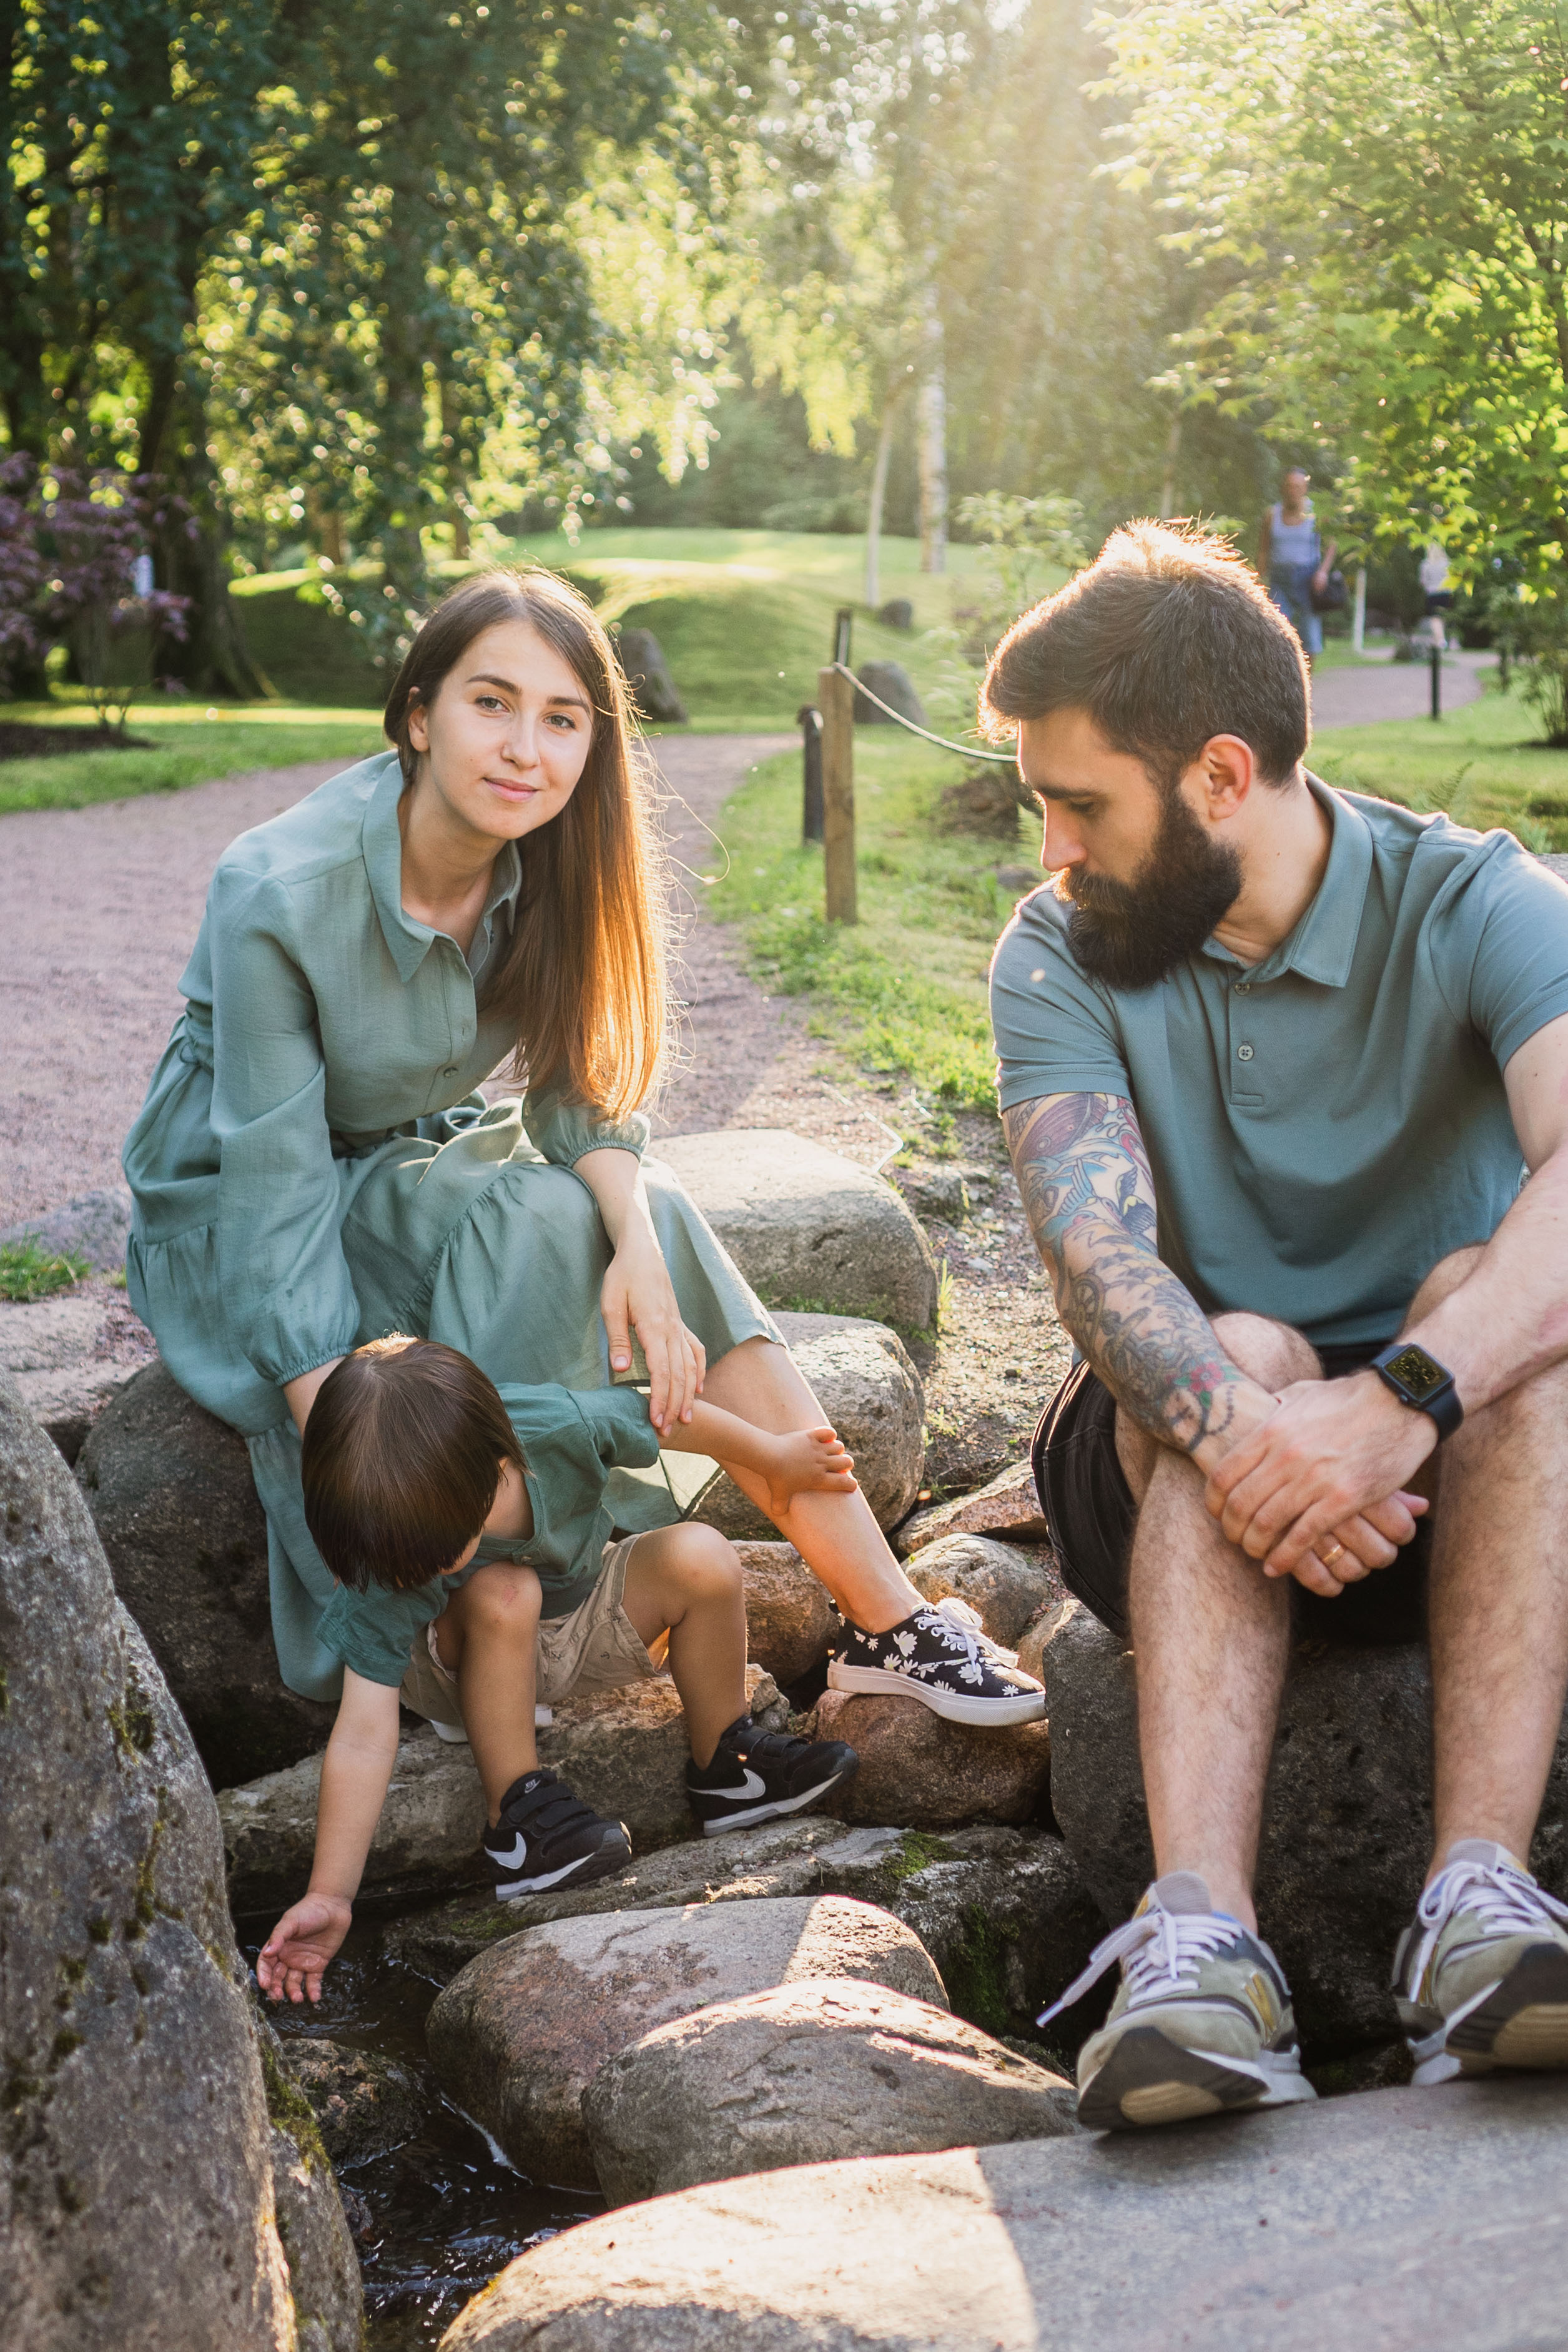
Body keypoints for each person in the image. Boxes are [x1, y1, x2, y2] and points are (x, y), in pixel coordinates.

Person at [124, 566, 1042, 1736]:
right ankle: (496, 1645)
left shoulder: (555, 857)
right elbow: (273, 1200)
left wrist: (641, 1253)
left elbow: (578, 1093)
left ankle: (887, 1620)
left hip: (400, 1156)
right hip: (234, 1205)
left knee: (620, 1210)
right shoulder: (277, 890)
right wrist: (361, 1460)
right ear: (418, 715)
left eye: (562, 719)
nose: (525, 749)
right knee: (533, 1226)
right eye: (490, 704)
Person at [985, 521, 1568, 2131]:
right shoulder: (1055, 952)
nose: (1052, 849)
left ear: (1220, 775)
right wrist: (1265, 1448)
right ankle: (1197, 1952)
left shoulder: (1475, 899)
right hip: (1173, 1474)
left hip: (1455, 1471)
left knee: (1489, 1308)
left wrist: (1393, 1410)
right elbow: (1093, 1258)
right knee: (1227, 1348)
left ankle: (1479, 1903)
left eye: (1079, 802)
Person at [255, 1337, 861, 2002]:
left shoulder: (556, 1427)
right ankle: (518, 1817)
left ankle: (729, 1765)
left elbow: (665, 1415)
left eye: (432, 1557)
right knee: (503, 1587)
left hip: (570, 1623)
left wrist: (772, 1455)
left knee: (705, 1555)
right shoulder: (395, 1532)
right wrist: (330, 1894)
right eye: (403, 1567)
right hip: (455, 1662)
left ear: (493, 1466)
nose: (415, 1574)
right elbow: (365, 1732)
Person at [1257, 468, 1337, 668]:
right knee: (1278, 633)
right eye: (1290, 486)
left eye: (1298, 487)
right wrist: (1258, 581)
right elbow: (1263, 550)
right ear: (1284, 489)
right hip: (1279, 580)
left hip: (1309, 580)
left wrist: (1323, 572)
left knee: (1310, 638)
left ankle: (1306, 690)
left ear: (1305, 489)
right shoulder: (1271, 514)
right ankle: (1283, 682)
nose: (1293, 490)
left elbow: (1332, 545)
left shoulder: (1315, 513)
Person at [1421, 541, 1454, 648]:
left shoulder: (1426, 564)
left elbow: (1423, 581)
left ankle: (1440, 639)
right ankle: (1439, 639)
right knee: (1442, 618)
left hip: (1432, 593)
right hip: (1445, 593)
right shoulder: (1447, 563)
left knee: (1435, 618)